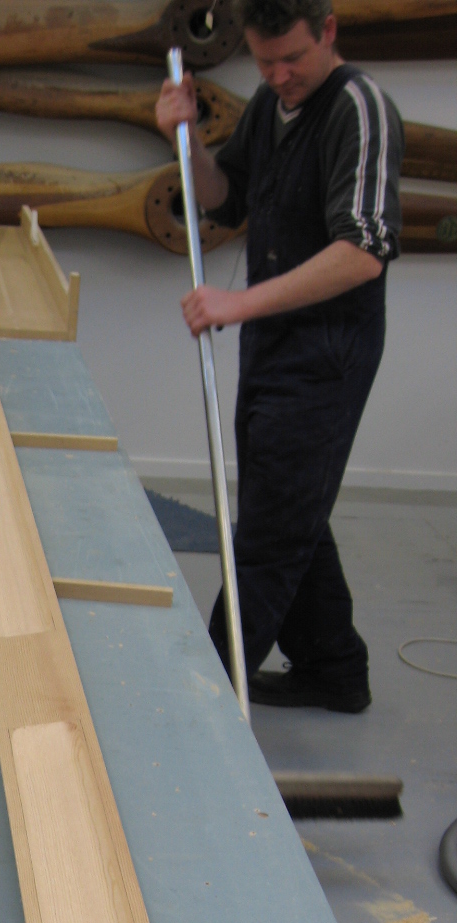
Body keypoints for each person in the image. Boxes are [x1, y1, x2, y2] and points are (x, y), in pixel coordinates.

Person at [156, 0, 403, 712]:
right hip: (272, 342)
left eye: (292, 58)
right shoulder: (270, 105)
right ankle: (333, 666)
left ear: (329, 31)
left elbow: (362, 253)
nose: (279, 75)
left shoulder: (360, 110)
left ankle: (202, 701)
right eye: (265, 62)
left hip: (327, 351)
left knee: (266, 534)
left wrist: (236, 304)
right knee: (290, 506)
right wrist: (187, 142)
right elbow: (225, 200)